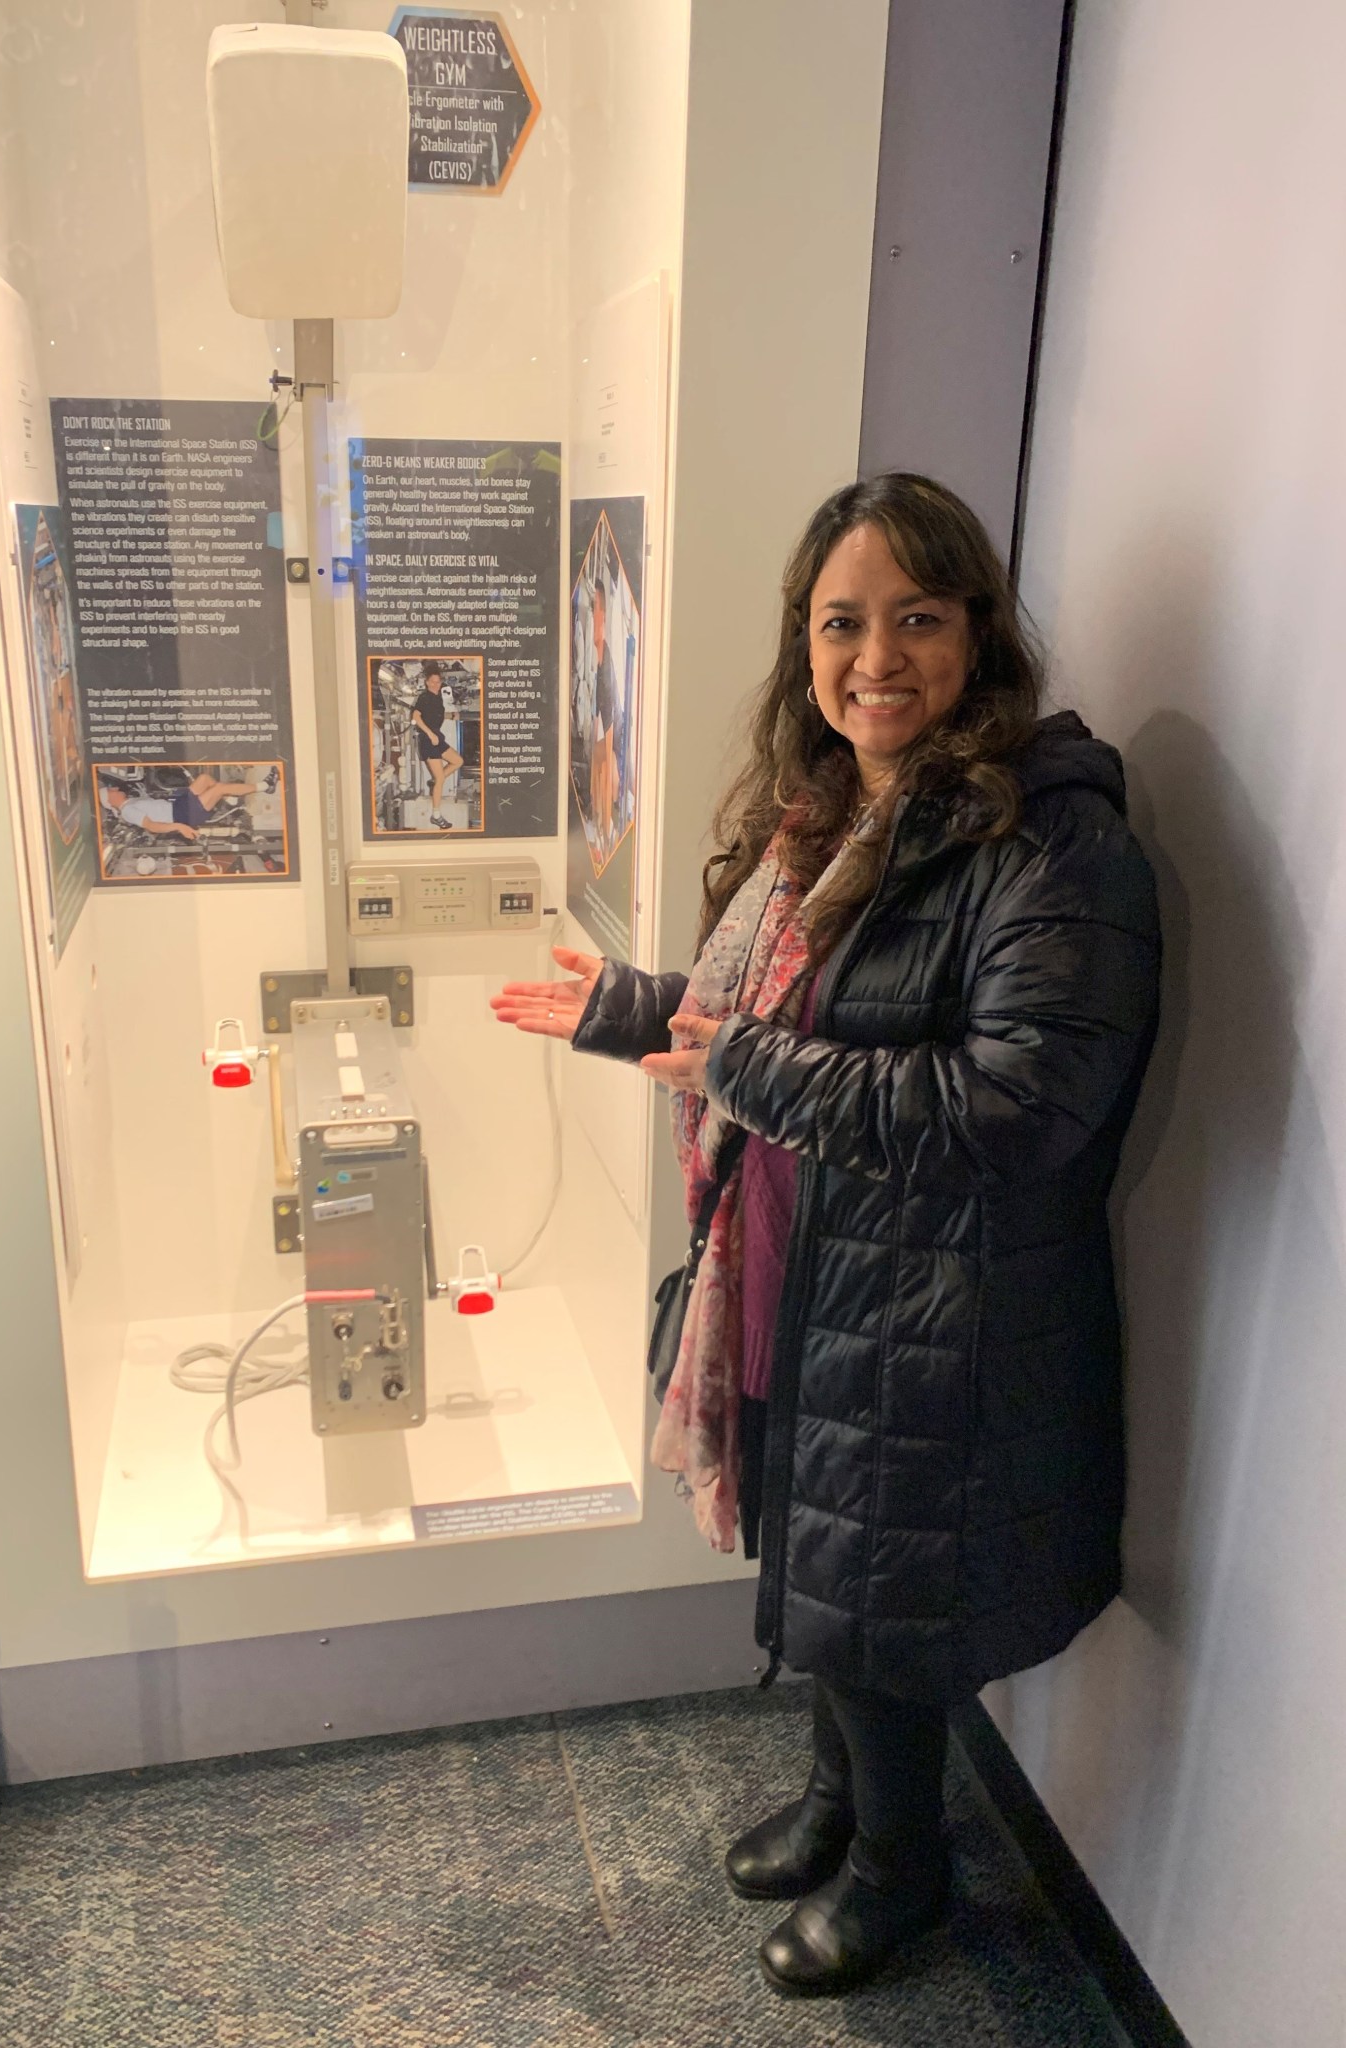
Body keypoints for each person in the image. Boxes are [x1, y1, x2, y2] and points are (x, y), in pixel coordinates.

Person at [490, 473, 1160, 1999]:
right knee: (823, 1560)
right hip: (803, 1265)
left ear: (980, 633)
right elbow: (771, 1029)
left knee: (879, 1604)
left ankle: (901, 1874)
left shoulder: (1052, 844)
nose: (876, 658)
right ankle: (843, 1801)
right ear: (805, 641)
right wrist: (628, 1012)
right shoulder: (841, 815)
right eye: (840, 622)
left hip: (939, 1304)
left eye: (916, 619)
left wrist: (736, 1063)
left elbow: (1019, 1107)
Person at [102, 771, 257, 842]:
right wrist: (179, 827)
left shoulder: (130, 803)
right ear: (110, 801)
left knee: (204, 779)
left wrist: (143, 795)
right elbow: (152, 826)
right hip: (183, 815)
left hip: (178, 805)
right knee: (219, 789)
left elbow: (153, 808)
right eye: (111, 790)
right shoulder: (127, 811)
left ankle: (227, 797)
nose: (115, 789)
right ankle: (264, 786)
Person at [587, 578, 621, 857]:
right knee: (599, 763)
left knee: (604, 763)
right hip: (603, 710)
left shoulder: (604, 651)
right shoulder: (598, 648)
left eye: (599, 609)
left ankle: (605, 830)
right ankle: (601, 829)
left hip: (608, 712)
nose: (597, 616)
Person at [410, 662, 463, 830]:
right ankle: (436, 815)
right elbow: (416, 717)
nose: (435, 684)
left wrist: (450, 715)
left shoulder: (437, 697)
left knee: (458, 761)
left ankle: (435, 782)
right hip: (428, 740)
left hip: (437, 738)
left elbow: (432, 716)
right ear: (426, 682)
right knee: (441, 778)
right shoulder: (424, 697)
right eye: (432, 681)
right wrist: (431, 734)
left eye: (438, 682)